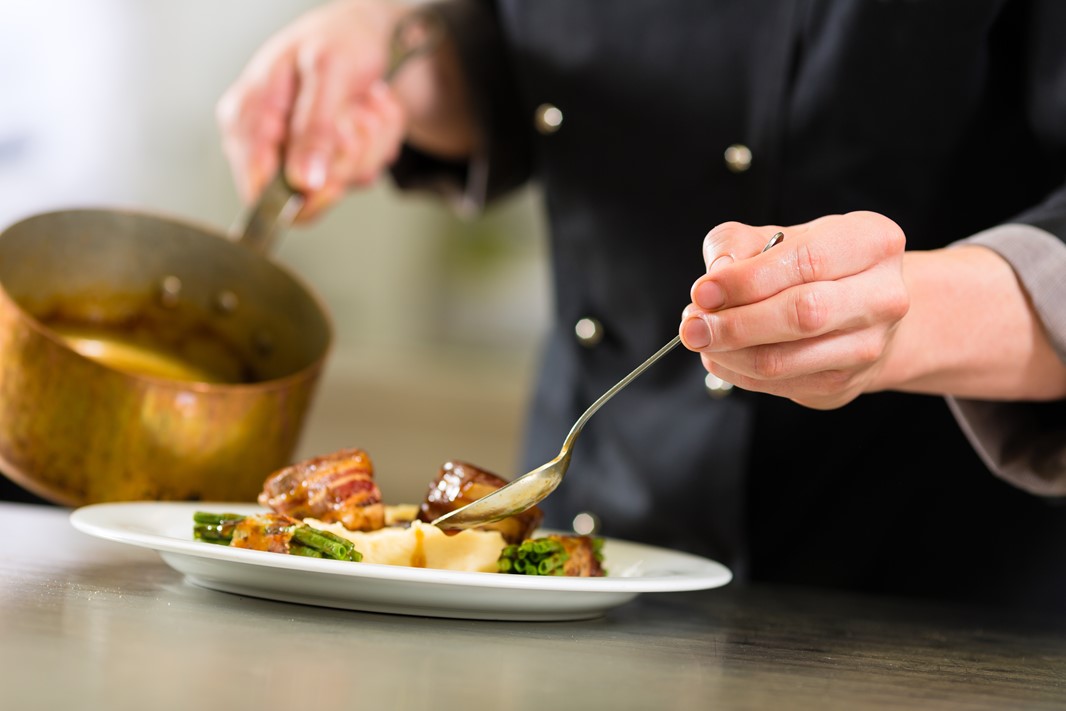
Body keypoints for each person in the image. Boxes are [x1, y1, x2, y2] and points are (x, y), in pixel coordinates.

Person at [217, 0, 1066, 611]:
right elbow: (563, 55)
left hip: (944, 585)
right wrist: (402, 48)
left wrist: (909, 312)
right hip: (599, 551)